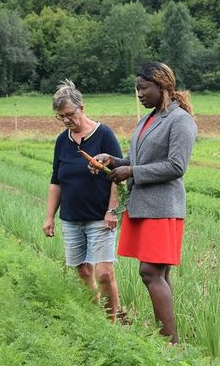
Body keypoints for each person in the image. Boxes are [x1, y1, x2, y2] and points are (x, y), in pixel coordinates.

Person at [93, 62, 197, 344]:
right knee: (158, 273)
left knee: (150, 271)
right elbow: (136, 161)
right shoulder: (148, 120)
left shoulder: (180, 120)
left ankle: (170, 342)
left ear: (162, 86)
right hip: (145, 206)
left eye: (143, 88)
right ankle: (170, 343)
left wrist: (133, 172)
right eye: (137, 88)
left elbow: (176, 166)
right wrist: (114, 161)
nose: (139, 93)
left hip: (163, 208)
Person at [43, 79, 122, 321]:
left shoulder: (104, 135)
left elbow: (118, 175)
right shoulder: (61, 141)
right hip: (71, 217)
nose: (66, 120)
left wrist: (112, 211)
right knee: (83, 271)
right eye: (61, 117)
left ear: (82, 108)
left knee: (104, 273)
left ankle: (111, 321)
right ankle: (94, 317)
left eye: (69, 114)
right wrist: (49, 217)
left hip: (100, 216)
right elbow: (56, 180)